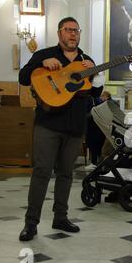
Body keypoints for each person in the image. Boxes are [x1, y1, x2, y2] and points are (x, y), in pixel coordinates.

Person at [18, 17, 102, 241]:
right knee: (42, 172)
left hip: (75, 126)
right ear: (59, 33)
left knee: (65, 174)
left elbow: (94, 93)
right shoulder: (44, 54)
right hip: (48, 123)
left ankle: (61, 217)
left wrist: (95, 74)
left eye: (76, 30)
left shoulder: (87, 61)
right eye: (68, 30)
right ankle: (31, 223)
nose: (73, 34)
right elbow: (23, 77)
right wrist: (40, 65)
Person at [84, 84, 107, 171]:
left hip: (92, 126)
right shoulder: (99, 100)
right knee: (98, 146)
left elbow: (86, 113)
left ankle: (94, 163)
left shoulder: (90, 99)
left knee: (93, 145)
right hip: (99, 126)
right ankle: (98, 163)